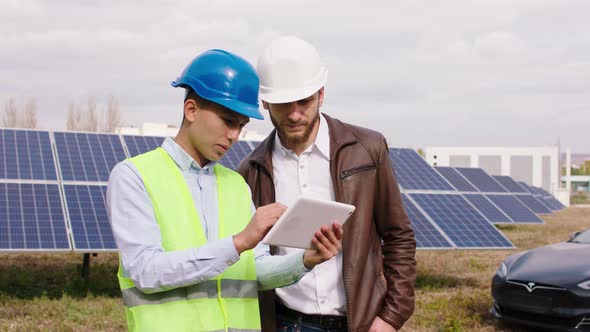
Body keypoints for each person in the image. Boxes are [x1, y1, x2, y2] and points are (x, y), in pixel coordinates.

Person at [107, 49, 343, 332]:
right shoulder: (134, 177)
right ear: (191, 110)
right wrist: (239, 242)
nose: (234, 135)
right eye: (227, 121)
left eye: (241, 126)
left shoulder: (236, 184)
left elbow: (252, 271)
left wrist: (304, 261)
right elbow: (146, 271)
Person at [237, 36, 417, 332]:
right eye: (283, 103)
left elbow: (399, 237)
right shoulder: (251, 171)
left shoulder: (368, 150)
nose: (294, 114)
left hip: (359, 322)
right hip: (286, 323)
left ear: (321, 93)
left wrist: (390, 318)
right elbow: (251, 263)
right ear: (266, 101)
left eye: (304, 101)